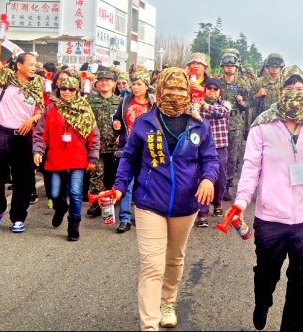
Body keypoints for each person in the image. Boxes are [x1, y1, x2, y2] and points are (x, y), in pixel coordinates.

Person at [112, 67, 218, 331]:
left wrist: (208, 179)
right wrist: (119, 187)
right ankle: (149, 325)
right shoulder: (144, 122)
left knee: (174, 258)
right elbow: (129, 158)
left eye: (181, 89)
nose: (175, 94)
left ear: (188, 92)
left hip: (185, 204)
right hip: (150, 203)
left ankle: (167, 303)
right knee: (151, 264)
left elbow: (210, 158)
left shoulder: (199, 124)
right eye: (169, 89)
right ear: (159, 91)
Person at [230, 65, 303, 331]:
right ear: (280, 91)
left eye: (300, 89)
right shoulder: (263, 124)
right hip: (271, 217)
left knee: (300, 279)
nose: (295, 94)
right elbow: (251, 167)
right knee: (266, 273)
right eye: (289, 89)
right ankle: (262, 302)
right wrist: (241, 201)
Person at [0, 31, 44, 233]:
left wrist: (32, 118)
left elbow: (40, 111)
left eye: (35, 65)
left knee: (24, 180)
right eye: (31, 64)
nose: (34, 68)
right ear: (19, 65)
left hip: (24, 138)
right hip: (2, 135)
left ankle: (18, 217)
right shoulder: (5, 79)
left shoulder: (37, 85)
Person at [32, 77, 100, 241]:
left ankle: (74, 224)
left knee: (75, 192)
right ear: (58, 90)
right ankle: (61, 208)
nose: (67, 92)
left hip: (78, 159)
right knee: (55, 194)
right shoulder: (51, 109)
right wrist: (38, 151)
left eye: (71, 89)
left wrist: (92, 158)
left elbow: (94, 135)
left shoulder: (84, 109)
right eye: (63, 89)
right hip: (55, 158)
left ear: (77, 91)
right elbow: (41, 134)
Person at [112, 71, 154, 233]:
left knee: (146, 183)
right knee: (126, 183)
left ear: (146, 86)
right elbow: (117, 119)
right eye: (133, 84)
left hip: (148, 149)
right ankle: (124, 218)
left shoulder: (153, 103)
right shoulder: (125, 102)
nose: (135, 88)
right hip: (128, 147)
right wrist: (116, 125)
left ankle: (146, 216)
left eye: (139, 84)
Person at [87, 70, 121, 217]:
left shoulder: (121, 102)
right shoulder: (90, 101)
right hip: (97, 146)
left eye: (108, 80)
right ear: (97, 84)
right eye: (101, 80)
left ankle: (112, 200)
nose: (104, 82)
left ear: (114, 84)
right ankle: (95, 203)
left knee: (113, 175)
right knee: (96, 175)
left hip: (115, 145)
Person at [197, 78, 231, 227]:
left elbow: (220, 113)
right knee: (203, 179)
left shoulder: (225, 104)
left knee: (221, 178)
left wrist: (204, 105)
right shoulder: (197, 104)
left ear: (220, 92)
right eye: (209, 88)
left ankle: (217, 203)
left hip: (220, 146)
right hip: (202, 147)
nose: (211, 91)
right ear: (205, 89)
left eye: (215, 89)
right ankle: (202, 213)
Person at [218, 52, 250, 202]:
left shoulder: (242, 84)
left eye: (232, 66)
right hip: (218, 123)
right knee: (218, 155)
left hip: (235, 123)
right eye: (227, 66)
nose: (229, 68)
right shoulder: (218, 82)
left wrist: (242, 102)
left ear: (236, 68)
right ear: (223, 66)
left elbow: (250, 103)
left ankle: (227, 182)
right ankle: (217, 180)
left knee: (232, 155)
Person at [252, 53, 285, 119]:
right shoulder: (259, 83)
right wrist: (257, 95)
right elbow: (250, 103)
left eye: (277, 67)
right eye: (272, 66)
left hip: (280, 120)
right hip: (262, 120)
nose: (274, 69)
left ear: (281, 68)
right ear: (268, 67)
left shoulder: (285, 83)